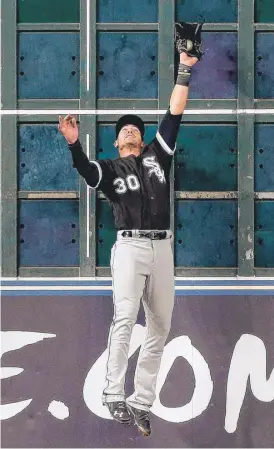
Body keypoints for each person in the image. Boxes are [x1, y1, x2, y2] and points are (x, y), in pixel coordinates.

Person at [58, 23, 201, 437]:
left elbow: (174, 113)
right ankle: (112, 393)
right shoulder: (110, 168)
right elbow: (86, 171)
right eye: (124, 128)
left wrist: (185, 69)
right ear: (118, 141)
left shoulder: (158, 155)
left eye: (135, 126)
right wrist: (73, 143)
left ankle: (141, 402)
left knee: (159, 326)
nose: (130, 129)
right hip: (130, 247)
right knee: (125, 318)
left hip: (162, 250)